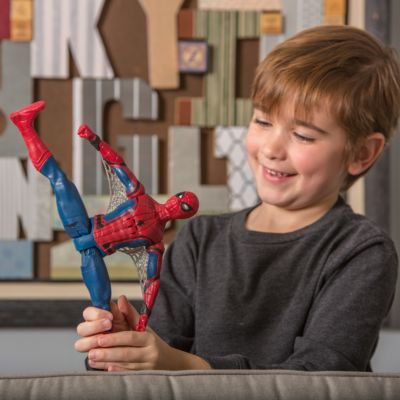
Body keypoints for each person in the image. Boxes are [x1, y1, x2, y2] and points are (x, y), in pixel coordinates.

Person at [75, 25, 400, 372]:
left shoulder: (361, 251)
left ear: (362, 153)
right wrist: (122, 350)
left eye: (303, 135)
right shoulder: (199, 240)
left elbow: (319, 378)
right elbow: (154, 366)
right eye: (263, 121)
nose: (271, 149)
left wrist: (185, 365)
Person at [10, 101, 199, 331]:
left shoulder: (155, 242)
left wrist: (144, 317)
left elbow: (152, 281)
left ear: (182, 216)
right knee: (58, 178)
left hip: (93, 254)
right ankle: (24, 124)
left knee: (103, 311)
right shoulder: (140, 196)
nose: (177, 205)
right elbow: (117, 163)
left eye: (184, 207)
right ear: (173, 196)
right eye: (180, 198)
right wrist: (94, 140)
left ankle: (106, 351)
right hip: (83, 225)